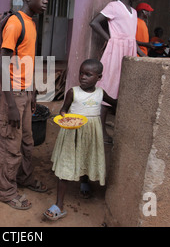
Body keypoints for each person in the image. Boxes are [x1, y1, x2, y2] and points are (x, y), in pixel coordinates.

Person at [0, 0, 49, 210]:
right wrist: (12, 105)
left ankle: (23, 179)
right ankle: (6, 191)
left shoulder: (32, 23)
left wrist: (33, 92)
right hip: (12, 95)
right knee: (10, 145)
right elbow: (1, 64)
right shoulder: (15, 23)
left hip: (25, 91)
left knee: (27, 141)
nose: (46, 1)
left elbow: (27, 60)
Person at [44, 59, 116, 221]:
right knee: (67, 164)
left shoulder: (100, 93)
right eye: (81, 73)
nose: (83, 77)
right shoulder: (72, 92)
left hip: (91, 134)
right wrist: (65, 118)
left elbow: (114, 103)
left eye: (88, 74)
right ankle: (59, 204)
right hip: (73, 132)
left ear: (99, 77)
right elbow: (64, 109)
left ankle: (85, 182)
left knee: (86, 156)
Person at [89, 0, 146, 144]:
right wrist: (111, 39)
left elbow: (131, 39)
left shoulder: (134, 13)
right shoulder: (114, 6)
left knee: (121, 88)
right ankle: (100, 131)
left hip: (128, 52)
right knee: (108, 87)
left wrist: (141, 54)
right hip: (115, 52)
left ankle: (109, 127)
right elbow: (94, 23)